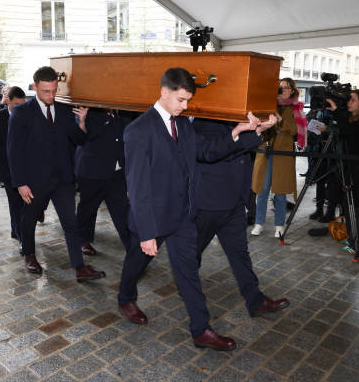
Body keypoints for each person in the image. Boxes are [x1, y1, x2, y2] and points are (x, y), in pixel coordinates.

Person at [119, 67, 264, 351]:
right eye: (181, 100)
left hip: (183, 216)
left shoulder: (183, 125)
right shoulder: (138, 130)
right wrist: (148, 232)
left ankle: (201, 330)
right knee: (137, 261)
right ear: (164, 92)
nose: (185, 107)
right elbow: (138, 186)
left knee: (188, 273)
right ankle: (125, 296)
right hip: (153, 217)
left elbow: (206, 153)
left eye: (187, 101)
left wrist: (237, 132)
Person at [8, 66, 105, 281]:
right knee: (29, 219)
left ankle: (79, 267)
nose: (50, 95)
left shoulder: (62, 110)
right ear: (35, 87)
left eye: (53, 90)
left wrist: (81, 121)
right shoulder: (21, 113)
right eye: (45, 91)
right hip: (34, 181)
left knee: (71, 223)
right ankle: (30, 254)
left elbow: (79, 140)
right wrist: (20, 183)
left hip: (63, 180)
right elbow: (14, 150)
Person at [192, 114, 291, 318]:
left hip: (234, 201)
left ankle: (255, 300)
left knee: (239, 253)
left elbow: (246, 152)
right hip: (209, 201)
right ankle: (188, 295)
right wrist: (248, 132)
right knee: (191, 254)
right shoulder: (204, 120)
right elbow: (212, 153)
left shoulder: (236, 116)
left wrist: (257, 130)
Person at [325, 90, 359, 262]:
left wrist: (336, 111)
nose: (349, 103)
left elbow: (349, 131)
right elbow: (345, 129)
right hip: (350, 170)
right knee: (348, 207)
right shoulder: (353, 119)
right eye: (349, 99)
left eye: (352, 100)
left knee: (358, 209)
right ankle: (352, 240)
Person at [75, 108, 133, 255]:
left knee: (121, 211)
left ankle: (133, 249)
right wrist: (82, 120)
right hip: (92, 172)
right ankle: (83, 240)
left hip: (116, 173)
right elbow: (82, 137)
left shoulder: (124, 115)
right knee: (88, 209)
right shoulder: (88, 112)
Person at [250, 78, 299, 238]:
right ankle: (259, 223)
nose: (282, 90)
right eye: (280, 87)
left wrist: (280, 119)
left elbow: (294, 130)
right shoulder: (269, 104)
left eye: (286, 88)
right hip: (266, 149)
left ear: (292, 90)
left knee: (280, 190)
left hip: (283, 153)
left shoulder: (295, 107)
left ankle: (279, 225)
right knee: (262, 190)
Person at [0, 86, 26, 246]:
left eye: (23, 104)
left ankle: (15, 230)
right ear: (8, 101)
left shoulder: (27, 116)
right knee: (15, 204)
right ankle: (22, 236)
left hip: (25, 168)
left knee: (25, 204)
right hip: (7, 169)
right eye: (17, 105)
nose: (20, 108)